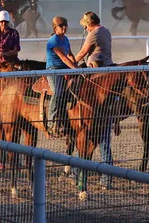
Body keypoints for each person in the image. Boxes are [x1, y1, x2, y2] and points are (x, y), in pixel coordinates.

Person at [74, 11, 115, 189]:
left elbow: (83, 52)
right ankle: (107, 176)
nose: (84, 27)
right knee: (104, 132)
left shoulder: (94, 33)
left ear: (88, 24)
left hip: (96, 72)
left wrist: (70, 63)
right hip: (108, 69)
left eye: (84, 24)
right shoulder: (106, 30)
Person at [46, 16, 77, 136]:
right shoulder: (54, 40)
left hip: (64, 68)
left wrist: (75, 64)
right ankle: (51, 121)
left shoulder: (66, 39)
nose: (64, 27)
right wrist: (75, 69)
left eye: (65, 25)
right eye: (61, 25)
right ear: (55, 28)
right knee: (58, 92)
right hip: (53, 69)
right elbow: (63, 58)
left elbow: (70, 54)